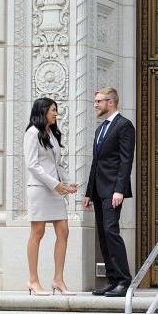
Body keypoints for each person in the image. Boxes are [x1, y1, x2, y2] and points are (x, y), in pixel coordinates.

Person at [83, 87, 136, 297]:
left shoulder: (124, 126)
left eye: (98, 101)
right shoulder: (100, 129)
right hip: (98, 190)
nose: (95, 105)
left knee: (111, 231)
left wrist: (119, 190)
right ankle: (112, 279)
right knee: (103, 235)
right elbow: (96, 163)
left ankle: (124, 280)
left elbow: (126, 160)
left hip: (113, 190)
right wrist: (88, 193)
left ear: (110, 102)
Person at [23, 97, 78, 296]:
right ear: (43, 111)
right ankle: (33, 280)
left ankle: (58, 280)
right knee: (37, 232)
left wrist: (67, 183)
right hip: (39, 189)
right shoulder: (32, 133)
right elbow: (32, 165)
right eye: (53, 110)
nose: (56, 113)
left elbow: (58, 164)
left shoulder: (51, 134)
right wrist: (55, 185)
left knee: (63, 231)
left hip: (55, 190)